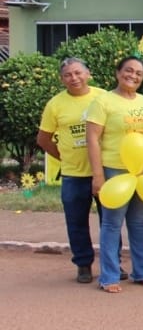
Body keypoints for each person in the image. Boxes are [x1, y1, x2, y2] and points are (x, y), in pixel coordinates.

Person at [85, 56, 143, 293]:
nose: (133, 76)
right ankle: (109, 277)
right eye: (128, 71)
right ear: (117, 73)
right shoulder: (103, 101)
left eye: (138, 73)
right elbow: (93, 139)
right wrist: (98, 175)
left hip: (142, 172)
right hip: (115, 170)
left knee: (138, 223)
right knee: (112, 224)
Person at [37, 57, 111, 284]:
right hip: (73, 174)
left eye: (78, 73)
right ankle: (83, 265)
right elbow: (43, 139)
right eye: (68, 75)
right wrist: (64, 156)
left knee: (109, 221)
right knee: (76, 222)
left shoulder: (104, 97)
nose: (74, 78)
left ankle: (112, 265)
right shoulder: (55, 104)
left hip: (104, 170)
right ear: (62, 79)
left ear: (88, 74)